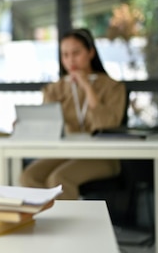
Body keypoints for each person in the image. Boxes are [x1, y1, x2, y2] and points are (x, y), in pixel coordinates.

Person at [19, 28, 126, 200]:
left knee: (59, 179)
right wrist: (27, 125)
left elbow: (106, 126)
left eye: (76, 53)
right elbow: (49, 127)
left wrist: (86, 86)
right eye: (65, 55)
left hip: (103, 156)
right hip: (66, 152)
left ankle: (66, 225)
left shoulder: (113, 87)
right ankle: (45, 221)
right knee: (29, 176)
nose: (70, 60)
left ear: (91, 52)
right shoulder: (55, 89)